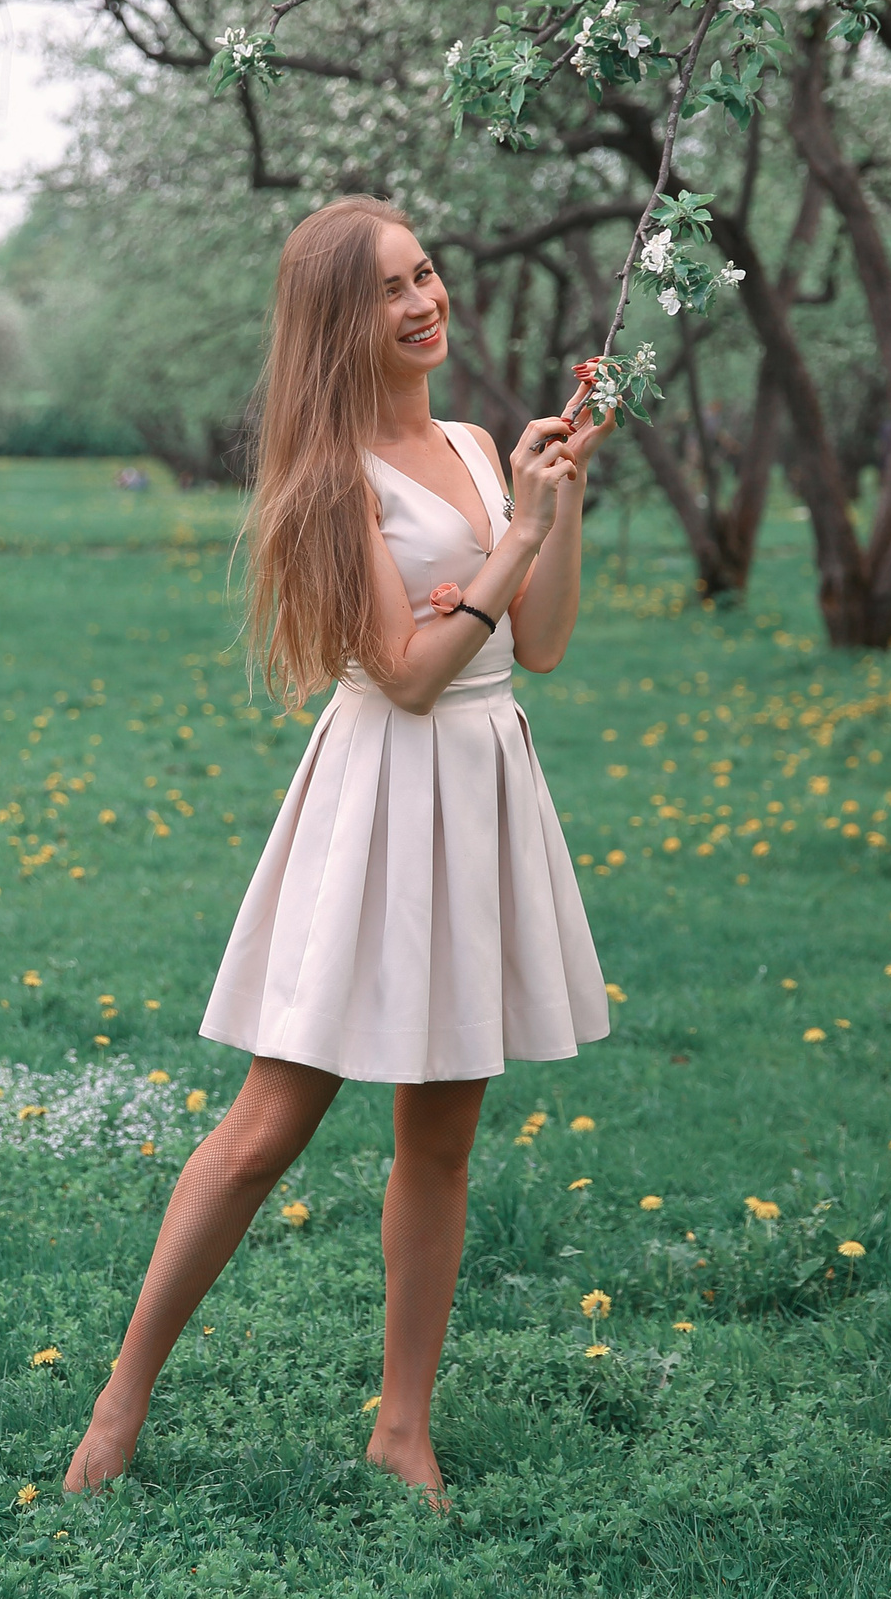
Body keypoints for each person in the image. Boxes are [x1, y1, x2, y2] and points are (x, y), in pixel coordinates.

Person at [62, 195, 614, 1505]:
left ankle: (402, 1427)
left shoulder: (482, 447)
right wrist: (510, 547)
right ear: (335, 322)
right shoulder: (328, 484)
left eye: (427, 273)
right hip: (379, 798)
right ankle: (122, 1396)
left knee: (443, 1136)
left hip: (483, 786)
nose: (423, 303)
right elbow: (410, 676)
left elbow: (533, 647)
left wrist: (552, 501)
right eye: (388, 291)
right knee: (267, 1129)